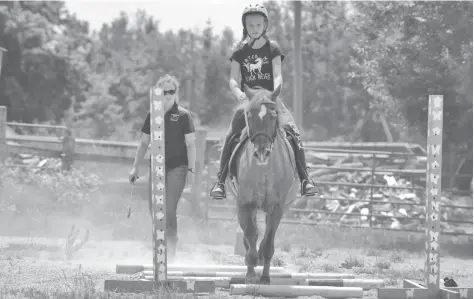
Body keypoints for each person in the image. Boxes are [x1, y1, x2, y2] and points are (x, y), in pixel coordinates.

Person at [209, 3, 318, 200]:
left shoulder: (272, 47)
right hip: (249, 101)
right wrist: (238, 92)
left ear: (265, 25)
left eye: (258, 25)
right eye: (250, 25)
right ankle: (220, 181)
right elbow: (233, 79)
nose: (254, 28)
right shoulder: (239, 50)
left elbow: (277, 74)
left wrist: (276, 89)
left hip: (270, 99)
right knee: (231, 135)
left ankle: (305, 179)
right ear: (245, 26)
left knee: (293, 132)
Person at [129, 74, 196, 261]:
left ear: (176, 94)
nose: (167, 95)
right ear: (158, 94)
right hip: (156, 167)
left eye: (171, 91)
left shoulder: (183, 116)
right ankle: (159, 248)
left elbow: (191, 145)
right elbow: (143, 143)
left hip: (178, 167)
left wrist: (191, 171)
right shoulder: (152, 115)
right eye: (164, 91)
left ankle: (171, 255)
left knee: (168, 208)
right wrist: (135, 167)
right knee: (154, 208)